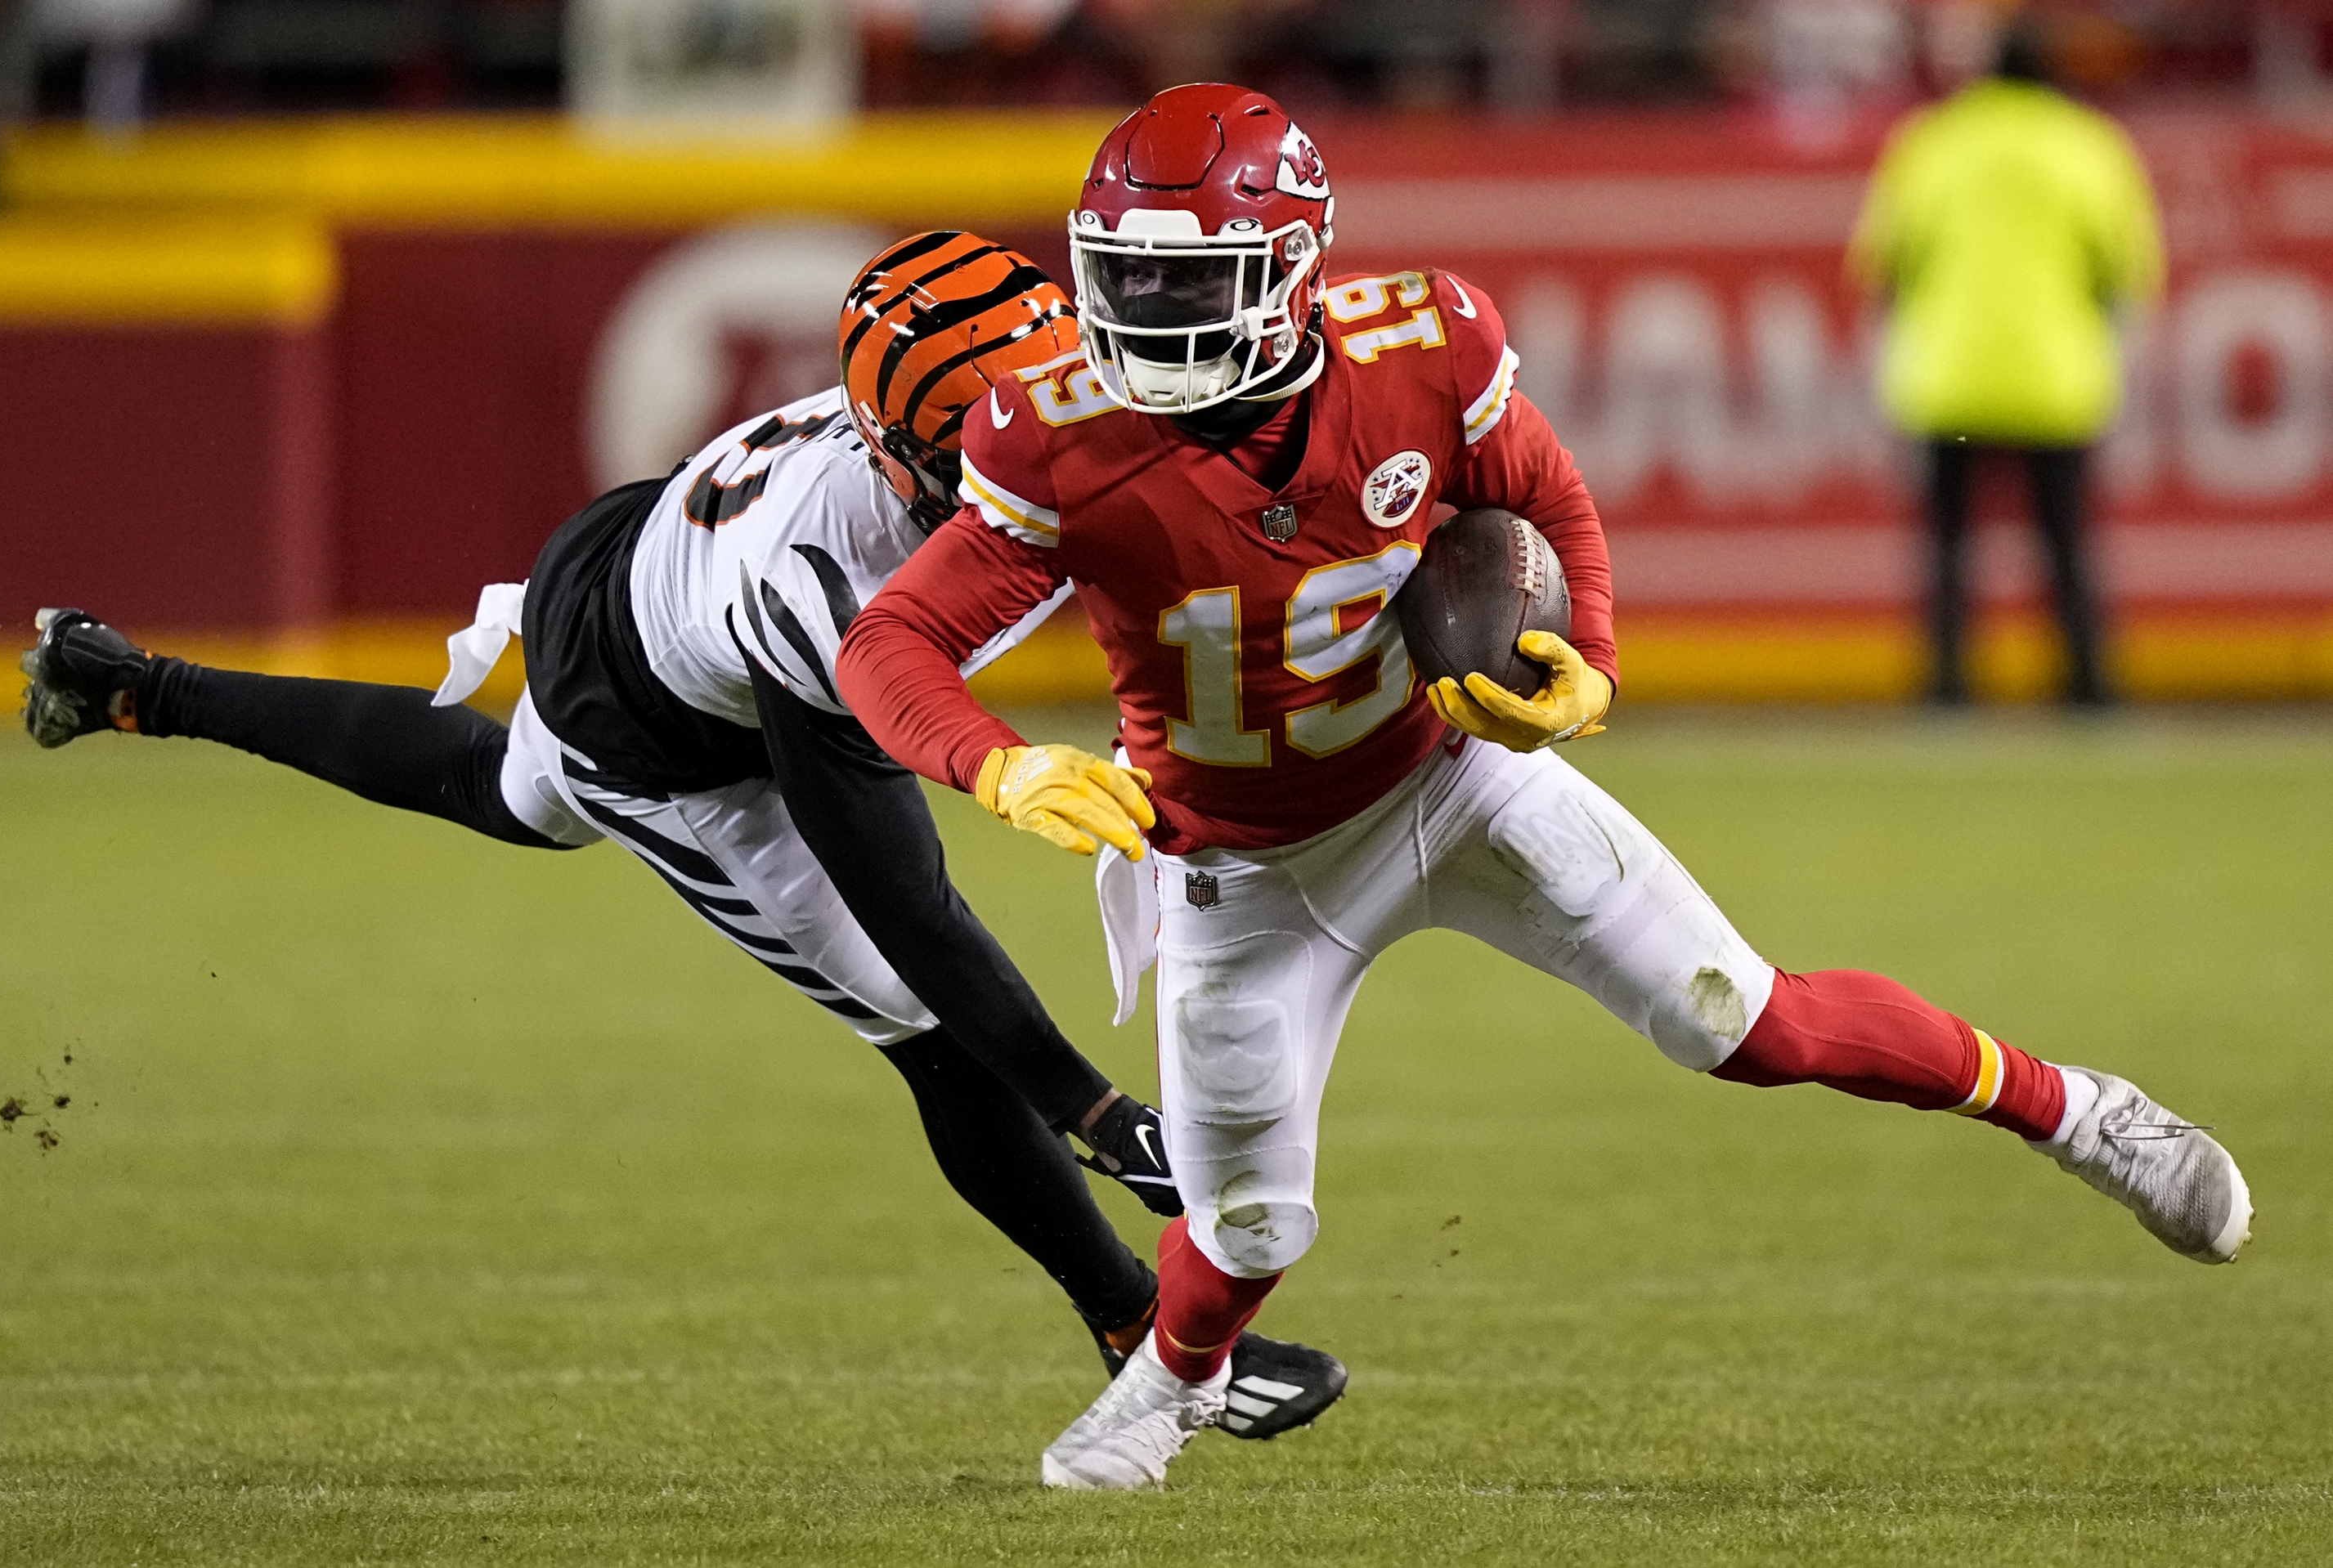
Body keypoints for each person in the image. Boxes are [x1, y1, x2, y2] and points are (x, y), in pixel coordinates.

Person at [835, 87, 2252, 1491]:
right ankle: (1173, 1379)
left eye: (1183, 275)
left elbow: (1546, 492)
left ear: (1288, 265)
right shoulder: (1052, 430)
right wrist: (995, 759)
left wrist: (1595, 665)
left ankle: (2078, 1111)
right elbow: (892, 640)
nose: (1145, 308)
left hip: (1458, 782)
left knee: (1740, 1018)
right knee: (1250, 1225)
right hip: (1244, 862)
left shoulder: (1424, 349)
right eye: (1123, 271)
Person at [16, 231, 1345, 1439]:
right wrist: (1091, 1105)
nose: (1038, 460)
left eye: (1050, 410)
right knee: (930, 1027)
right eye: (984, 446)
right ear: (904, 452)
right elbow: (901, 897)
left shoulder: (964, 445)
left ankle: (135, 687)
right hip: (671, 720)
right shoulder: (830, 587)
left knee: (507, 798)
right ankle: (1142, 1339)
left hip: (646, 564)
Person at [1849, 20, 2163, 706]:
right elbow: (2130, 269)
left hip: (1948, 375)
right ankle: (2085, 688)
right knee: (2066, 545)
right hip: (2055, 376)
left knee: (1948, 548)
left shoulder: (1932, 140)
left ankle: (1946, 689)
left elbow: (1881, 263)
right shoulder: (2089, 145)